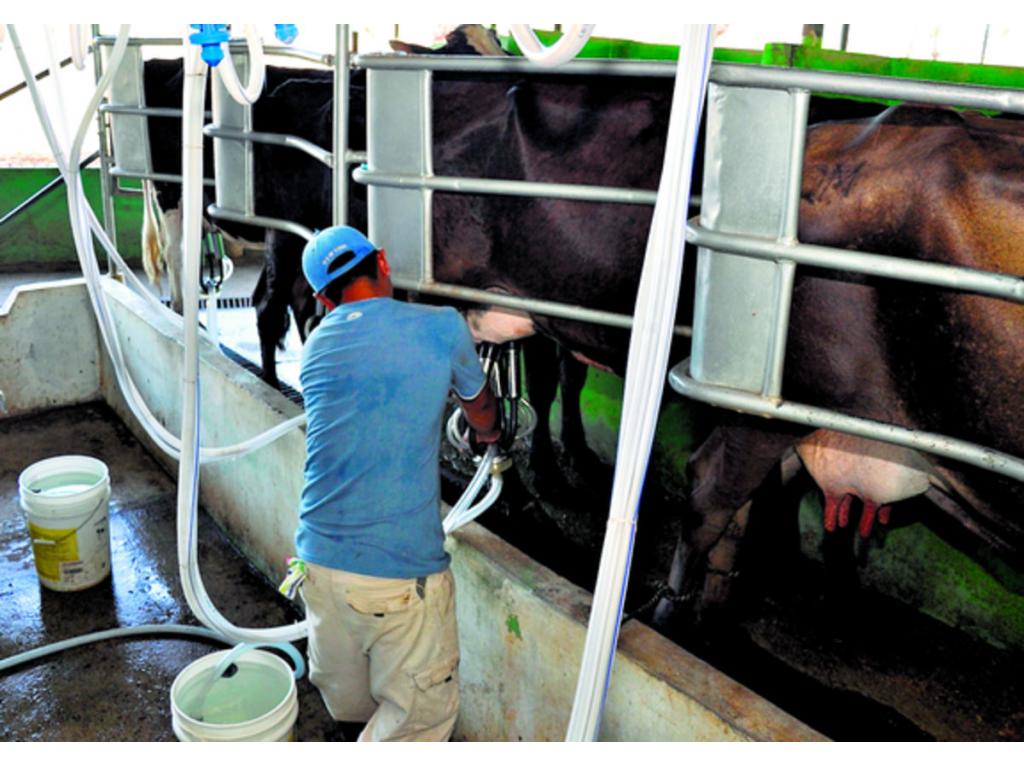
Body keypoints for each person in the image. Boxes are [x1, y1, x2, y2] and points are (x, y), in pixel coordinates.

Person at [294, 225, 500, 742]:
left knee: (354, 705)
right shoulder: (443, 326)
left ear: (322, 298)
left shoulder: (316, 347)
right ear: (382, 261)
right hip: (397, 576)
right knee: (419, 719)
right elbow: (480, 411)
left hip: (316, 567)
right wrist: (491, 433)